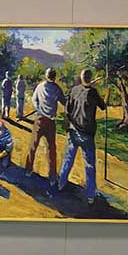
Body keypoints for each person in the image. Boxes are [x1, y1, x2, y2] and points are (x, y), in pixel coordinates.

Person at [58, 69, 107, 204]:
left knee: (68, 159)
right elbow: (103, 106)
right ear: (90, 78)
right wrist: (103, 93)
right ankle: (90, 195)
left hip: (73, 132)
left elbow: (67, 110)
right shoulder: (93, 93)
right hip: (87, 134)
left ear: (81, 78)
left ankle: (61, 183)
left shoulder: (74, 90)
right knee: (89, 165)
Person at [24, 68, 65, 183]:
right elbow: (64, 102)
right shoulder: (57, 88)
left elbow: (34, 100)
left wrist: (39, 109)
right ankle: (52, 176)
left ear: (46, 76)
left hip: (40, 119)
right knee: (51, 149)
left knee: (33, 145)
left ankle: (28, 169)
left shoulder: (40, 86)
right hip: (50, 121)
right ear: (54, 77)